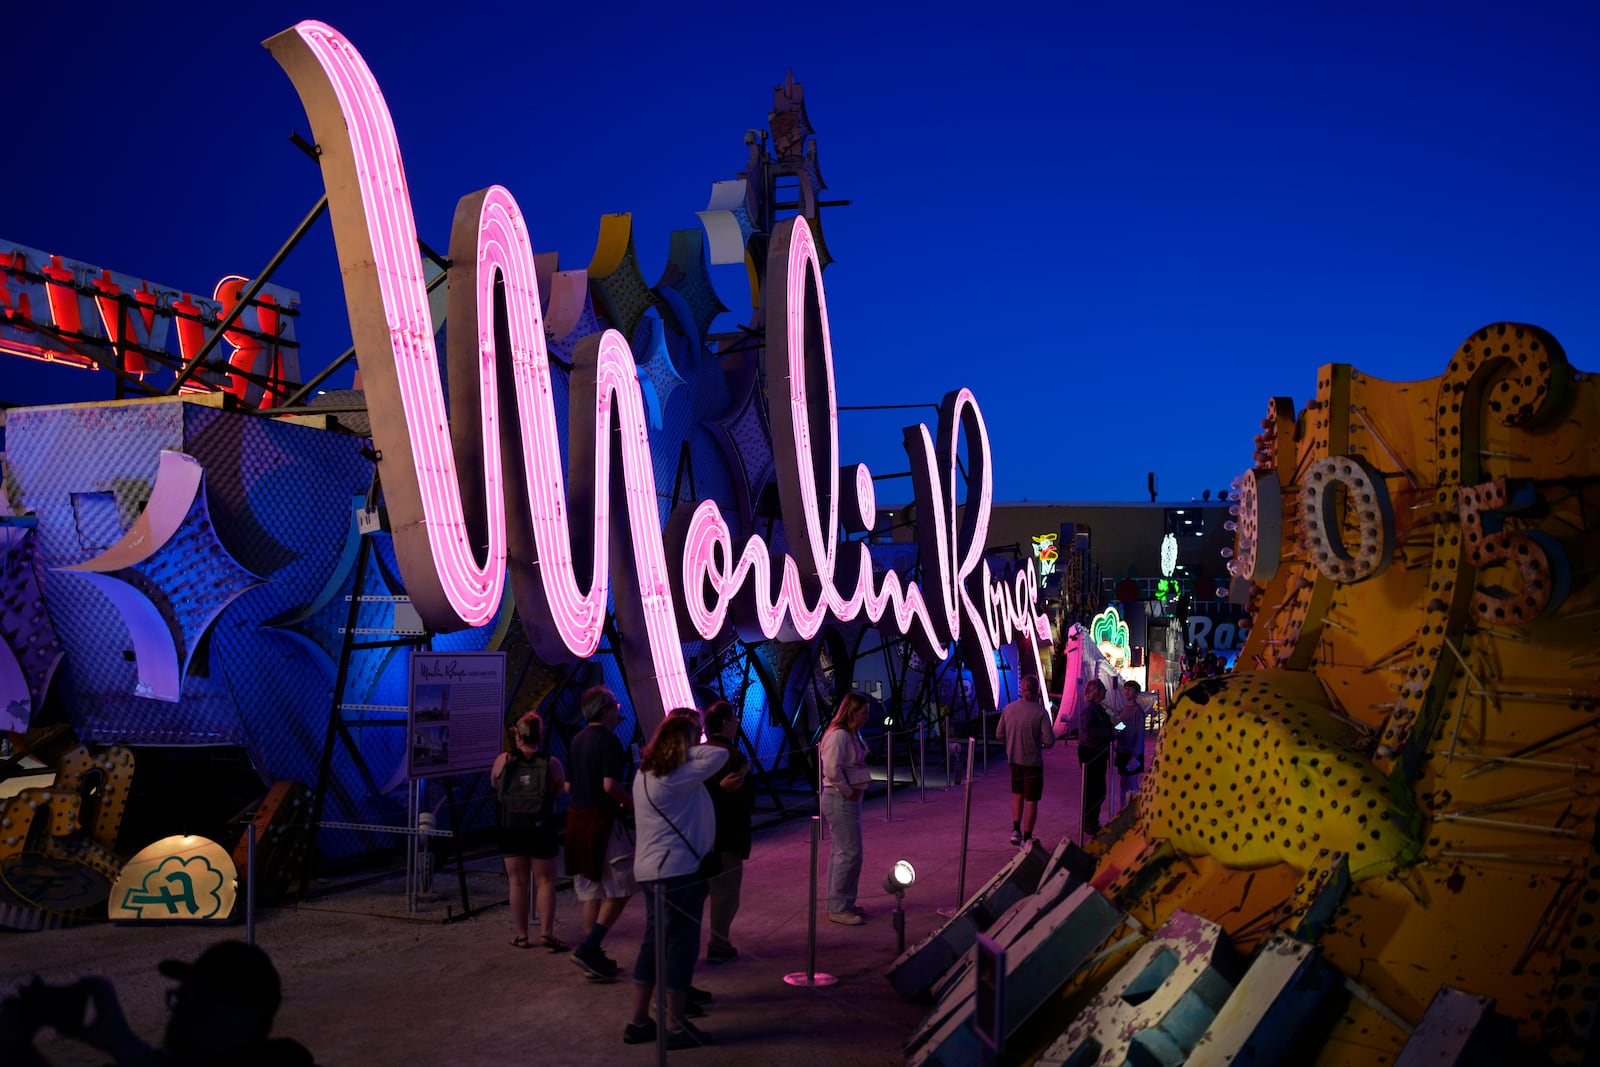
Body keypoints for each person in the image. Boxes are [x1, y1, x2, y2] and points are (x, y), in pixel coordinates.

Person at [0, 940, 315, 1066]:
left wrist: (125, 1047)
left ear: (247, 1017)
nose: (180, 1012)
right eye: (180, 997)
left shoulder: (287, 1059)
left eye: (200, 999)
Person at [624, 712, 727, 1049]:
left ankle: (639, 1020)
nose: (701, 740)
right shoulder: (679, 774)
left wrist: (674, 744)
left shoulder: (646, 772)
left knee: (653, 945)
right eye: (696, 734)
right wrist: (691, 744)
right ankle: (676, 1025)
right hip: (678, 872)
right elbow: (721, 754)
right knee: (680, 948)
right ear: (686, 740)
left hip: (652, 870)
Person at [565, 685, 637, 980]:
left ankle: (592, 955)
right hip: (603, 821)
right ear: (606, 709)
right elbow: (610, 785)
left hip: (577, 821)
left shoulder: (576, 741)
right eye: (615, 706)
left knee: (590, 891)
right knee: (622, 887)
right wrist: (632, 802)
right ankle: (590, 946)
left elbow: (569, 786)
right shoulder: (610, 742)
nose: (617, 709)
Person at [492, 710, 568, 952]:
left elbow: (495, 784)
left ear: (518, 737)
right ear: (540, 735)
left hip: (511, 826)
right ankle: (546, 933)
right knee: (545, 881)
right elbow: (558, 789)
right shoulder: (551, 763)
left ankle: (522, 936)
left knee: (517, 882)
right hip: (541, 827)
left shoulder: (503, 760)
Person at [701, 699, 752, 963]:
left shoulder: (697, 753)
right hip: (726, 835)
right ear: (725, 723)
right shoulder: (733, 757)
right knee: (726, 892)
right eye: (734, 719)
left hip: (698, 836)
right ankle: (719, 942)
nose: (736, 724)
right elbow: (742, 802)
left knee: (702, 890)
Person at [819, 691, 872, 925]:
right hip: (840, 798)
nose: (866, 717)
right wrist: (849, 792)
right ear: (853, 711)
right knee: (850, 853)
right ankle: (839, 906)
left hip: (845, 797)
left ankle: (842, 902)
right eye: (863, 712)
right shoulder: (839, 736)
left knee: (843, 852)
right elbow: (831, 770)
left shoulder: (849, 733)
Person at [995, 675, 1054, 846]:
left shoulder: (1009, 709)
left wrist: (1012, 742)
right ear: (1037, 690)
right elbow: (1049, 740)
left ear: (1021, 689)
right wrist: (1040, 745)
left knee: (1018, 794)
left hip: (1014, 760)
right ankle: (1028, 837)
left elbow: (999, 734)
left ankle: (1015, 831)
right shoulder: (1040, 712)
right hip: (1033, 762)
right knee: (1032, 799)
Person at [1077, 679, 1117, 836]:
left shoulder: (1099, 709)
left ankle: (1093, 820)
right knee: (1094, 789)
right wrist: (1110, 733)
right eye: (1103, 690)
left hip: (1098, 752)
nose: (1106, 693)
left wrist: (1120, 727)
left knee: (1099, 789)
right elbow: (1090, 731)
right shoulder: (1090, 710)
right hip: (1091, 753)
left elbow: (1108, 727)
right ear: (1096, 692)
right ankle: (1090, 821)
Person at [1115, 680, 1150, 804]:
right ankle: (1123, 807)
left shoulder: (1138, 712)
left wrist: (1135, 755)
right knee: (1123, 782)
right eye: (1126, 689)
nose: (1127, 691)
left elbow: (1140, 734)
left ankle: (1134, 808)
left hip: (1133, 752)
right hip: (1122, 750)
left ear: (1136, 693)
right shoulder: (1123, 709)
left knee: (1132, 782)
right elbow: (1121, 726)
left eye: (1130, 689)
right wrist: (1115, 732)